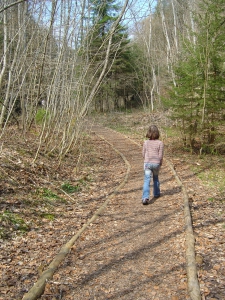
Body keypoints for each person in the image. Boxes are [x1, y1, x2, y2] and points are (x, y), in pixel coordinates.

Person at [142, 125, 164, 205]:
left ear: (148, 133)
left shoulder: (145, 142)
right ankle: (156, 193)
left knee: (147, 180)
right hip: (156, 163)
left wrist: (145, 159)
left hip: (147, 163)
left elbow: (143, 153)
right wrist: (160, 163)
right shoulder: (160, 143)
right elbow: (160, 155)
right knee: (156, 178)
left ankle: (145, 198)